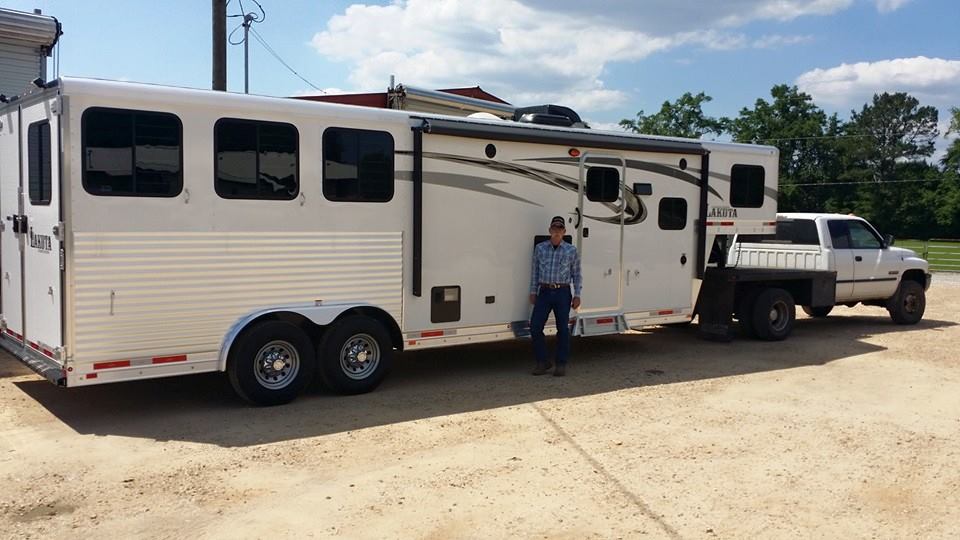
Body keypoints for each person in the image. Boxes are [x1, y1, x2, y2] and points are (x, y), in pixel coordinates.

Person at [529, 215, 582, 377]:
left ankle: (561, 363)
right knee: (535, 327)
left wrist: (577, 294)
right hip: (544, 292)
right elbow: (535, 272)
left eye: (560, 229)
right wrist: (533, 291)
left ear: (564, 231)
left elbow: (577, 274)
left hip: (562, 292)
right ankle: (543, 361)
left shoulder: (571, 250)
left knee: (563, 330)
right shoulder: (540, 249)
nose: (557, 232)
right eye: (554, 229)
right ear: (550, 230)